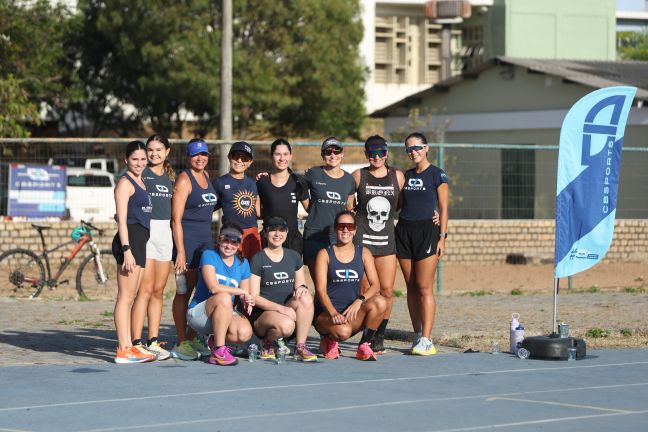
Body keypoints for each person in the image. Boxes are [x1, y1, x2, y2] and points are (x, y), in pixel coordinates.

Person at [396, 132, 449, 356]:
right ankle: (417, 334)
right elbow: (397, 203)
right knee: (410, 287)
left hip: (427, 233)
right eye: (409, 149)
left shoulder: (437, 174)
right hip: (404, 231)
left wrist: (442, 237)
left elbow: (444, 208)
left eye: (417, 147)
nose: (413, 152)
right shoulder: (405, 176)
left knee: (424, 287)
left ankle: (427, 340)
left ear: (426, 148)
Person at [351, 135, 404, 354]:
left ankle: (379, 335)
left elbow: (405, 204)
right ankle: (367, 334)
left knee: (387, 290)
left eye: (380, 153)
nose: (376, 157)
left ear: (386, 153)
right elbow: (348, 207)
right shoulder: (358, 175)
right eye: (371, 153)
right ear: (366, 155)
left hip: (387, 242)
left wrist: (434, 213)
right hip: (363, 242)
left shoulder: (397, 176)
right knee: (366, 290)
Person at [313, 211, 386, 361]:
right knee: (343, 332)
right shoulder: (324, 254)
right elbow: (320, 290)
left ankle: (364, 345)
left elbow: (375, 285)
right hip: (327, 315)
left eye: (349, 226)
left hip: (351, 314)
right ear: (335, 229)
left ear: (355, 230)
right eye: (341, 226)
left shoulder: (364, 252)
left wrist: (359, 300)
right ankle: (328, 338)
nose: (345, 230)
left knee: (380, 301)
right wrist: (333, 313)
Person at [171, 138, 218, 360]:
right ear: (188, 157)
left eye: (204, 154)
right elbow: (176, 219)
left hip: (205, 242)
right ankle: (181, 342)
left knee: (203, 291)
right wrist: (180, 251)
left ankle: (193, 337)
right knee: (184, 292)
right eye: (195, 155)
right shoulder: (184, 179)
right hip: (187, 243)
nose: (200, 158)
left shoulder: (206, 176)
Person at [130, 134, 175, 360]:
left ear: (167, 151)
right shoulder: (141, 174)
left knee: (158, 290)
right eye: (150, 149)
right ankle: (136, 342)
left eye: (159, 149)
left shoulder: (170, 178)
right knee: (144, 290)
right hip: (146, 231)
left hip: (165, 233)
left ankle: (153, 341)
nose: (154, 153)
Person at [248, 217, 317, 362]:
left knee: (306, 297)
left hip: (287, 310)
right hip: (263, 315)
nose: (277, 234)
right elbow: (254, 297)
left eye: (281, 230)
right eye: (273, 230)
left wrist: (303, 288)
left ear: (286, 233)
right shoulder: (258, 259)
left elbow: (300, 286)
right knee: (286, 325)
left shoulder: (294, 256)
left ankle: (300, 346)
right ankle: (267, 343)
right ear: (265, 233)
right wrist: (282, 309)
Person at [186, 223, 254, 366]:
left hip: (224, 312)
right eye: (226, 241)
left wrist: (246, 299)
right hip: (200, 314)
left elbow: (244, 293)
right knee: (224, 296)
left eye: (234, 242)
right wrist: (242, 291)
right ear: (219, 240)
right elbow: (214, 287)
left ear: (239, 245)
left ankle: (214, 340)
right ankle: (218, 351)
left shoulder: (243, 263)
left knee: (244, 333)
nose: (229, 246)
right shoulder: (209, 255)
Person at [111, 140, 155, 364]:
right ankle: (122, 348)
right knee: (125, 297)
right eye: (135, 159)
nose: (139, 163)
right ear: (126, 160)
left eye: (142, 159)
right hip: (129, 243)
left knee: (132, 296)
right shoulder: (125, 184)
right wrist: (126, 250)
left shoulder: (142, 182)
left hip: (140, 242)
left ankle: (129, 346)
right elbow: (122, 220)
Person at [303, 137, 356, 275]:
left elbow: (349, 207)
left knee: (333, 283)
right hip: (314, 235)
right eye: (328, 152)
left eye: (336, 151)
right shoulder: (313, 173)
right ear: (322, 155)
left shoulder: (349, 179)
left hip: (337, 236)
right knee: (319, 285)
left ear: (342, 154)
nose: (333, 155)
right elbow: (298, 189)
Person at [256, 139, 308, 255]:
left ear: (290, 156)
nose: (282, 158)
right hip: (269, 240)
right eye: (277, 154)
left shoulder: (299, 181)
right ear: (271, 156)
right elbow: (258, 213)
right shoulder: (262, 181)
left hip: (292, 242)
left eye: (285, 154)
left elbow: (309, 208)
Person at [213, 141, 261, 261]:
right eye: (236, 157)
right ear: (229, 158)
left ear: (250, 163)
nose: (239, 161)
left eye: (244, 158)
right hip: (232, 235)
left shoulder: (253, 184)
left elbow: (258, 212)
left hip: (252, 234)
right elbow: (207, 207)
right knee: (233, 272)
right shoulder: (219, 183)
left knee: (254, 273)